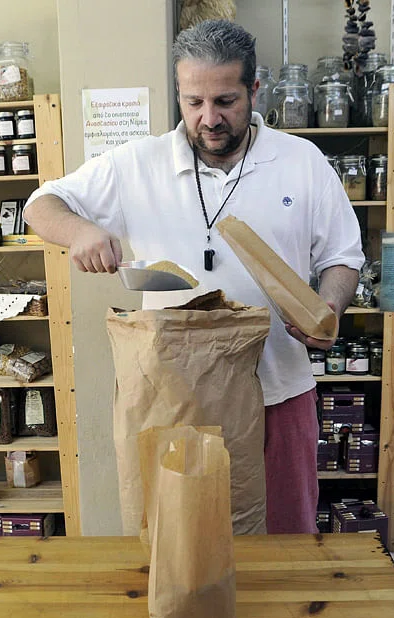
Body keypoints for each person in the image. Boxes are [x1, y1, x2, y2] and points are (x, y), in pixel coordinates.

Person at [23, 19, 363, 534]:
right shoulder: (138, 163)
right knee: (183, 540)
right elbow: (41, 204)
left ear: (253, 90)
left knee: (286, 539)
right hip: (174, 395)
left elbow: (342, 256)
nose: (209, 118)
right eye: (193, 102)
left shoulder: (302, 162)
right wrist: (81, 231)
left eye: (225, 101)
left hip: (277, 390)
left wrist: (330, 307)